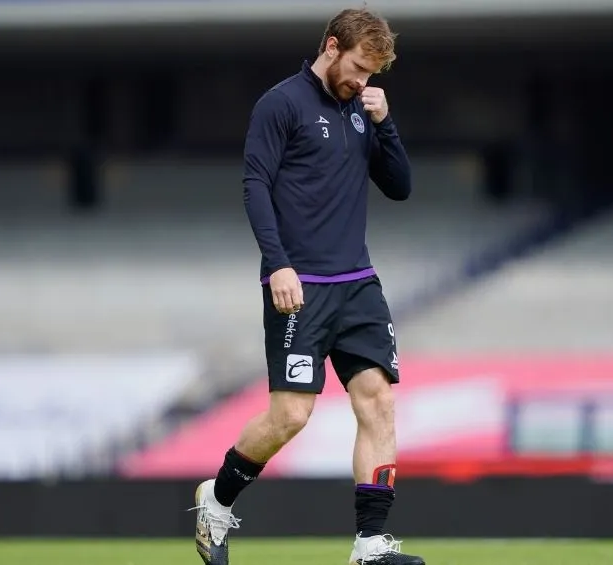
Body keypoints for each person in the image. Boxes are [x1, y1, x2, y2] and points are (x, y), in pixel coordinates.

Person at [189, 7, 424, 565]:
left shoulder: (364, 110)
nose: (362, 81)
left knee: (379, 403)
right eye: (358, 67)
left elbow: (401, 187)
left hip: (358, 283)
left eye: (372, 74)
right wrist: (278, 264)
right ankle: (216, 502)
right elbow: (255, 185)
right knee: (291, 415)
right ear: (331, 45)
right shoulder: (281, 104)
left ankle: (369, 545)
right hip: (302, 284)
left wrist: (385, 123)